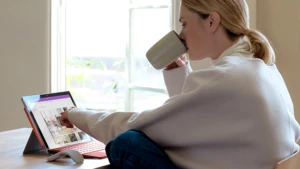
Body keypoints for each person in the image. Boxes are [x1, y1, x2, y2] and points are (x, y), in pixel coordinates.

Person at [59, 0, 300, 169]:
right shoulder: (260, 67)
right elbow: (198, 124)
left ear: (212, 21)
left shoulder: (226, 78)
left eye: (184, 23)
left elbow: (139, 125)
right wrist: (180, 74)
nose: (181, 34)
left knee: (126, 144)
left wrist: (76, 115)